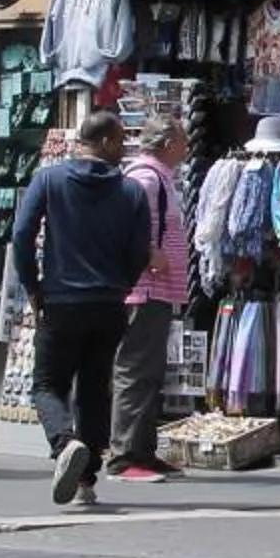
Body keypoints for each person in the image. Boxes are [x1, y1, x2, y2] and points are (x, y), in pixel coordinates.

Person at [11, 112, 153, 508]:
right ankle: (86, 480)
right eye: (122, 139)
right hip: (109, 304)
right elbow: (140, 251)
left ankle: (64, 442)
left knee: (47, 384)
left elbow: (21, 236)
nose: (125, 147)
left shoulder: (50, 180)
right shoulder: (131, 192)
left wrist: (33, 286)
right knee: (93, 388)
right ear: (105, 142)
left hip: (61, 300)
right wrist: (122, 284)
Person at [103, 115, 193, 483]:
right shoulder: (145, 178)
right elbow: (119, 226)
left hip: (156, 288)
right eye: (184, 142)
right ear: (169, 144)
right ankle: (124, 457)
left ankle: (143, 450)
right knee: (135, 371)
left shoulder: (159, 179)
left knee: (149, 372)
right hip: (143, 289)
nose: (187, 149)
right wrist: (146, 253)